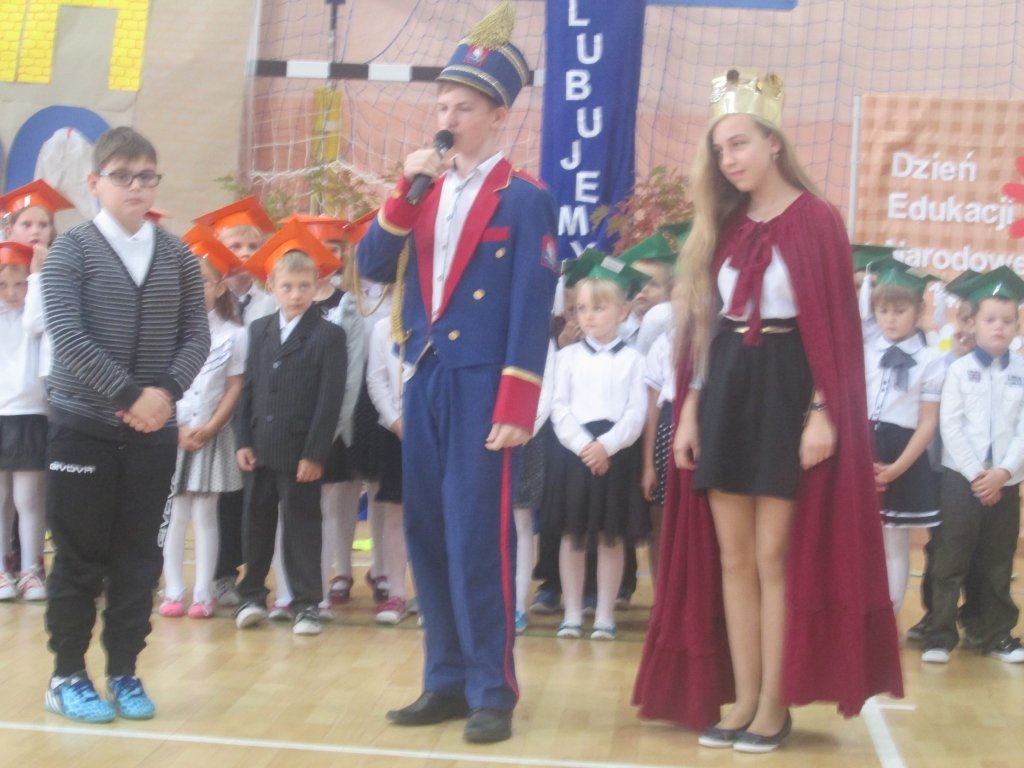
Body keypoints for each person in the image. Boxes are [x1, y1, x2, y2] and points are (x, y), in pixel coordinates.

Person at [632, 69, 902, 753]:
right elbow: (703, 327)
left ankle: (774, 705)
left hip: (788, 390)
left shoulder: (817, 220)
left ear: (773, 142)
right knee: (732, 557)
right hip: (726, 389)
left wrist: (823, 411)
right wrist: (689, 412)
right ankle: (745, 697)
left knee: (773, 555)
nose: (729, 159)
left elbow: (833, 329)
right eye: (720, 149)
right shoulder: (721, 225)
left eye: (740, 144)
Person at [356, 2, 558, 744]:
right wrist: (402, 195)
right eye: (442, 106)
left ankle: (490, 688)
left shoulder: (525, 198)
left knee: (479, 535)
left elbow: (531, 307)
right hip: (428, 373)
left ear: (497, 116)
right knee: (428, 531)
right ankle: (443, 679)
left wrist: (517, 400)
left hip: (483, 381)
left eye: (463, 107)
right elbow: (372, 266)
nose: (447, 119)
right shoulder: (425, 191)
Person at [41, 126, 210, 723]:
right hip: (82, 427)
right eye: (122, 176)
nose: (136, 187)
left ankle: (124, 672)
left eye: (146, 176)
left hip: (152, 434)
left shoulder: (178, 256)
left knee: (139, 560)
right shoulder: (71, 250)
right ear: (95, 183)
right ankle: (67, 675)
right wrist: (128, 394)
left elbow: (197, 336)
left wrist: (163, 395)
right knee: (79, 560)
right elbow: (68, 334)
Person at [232, 221, 347, 637]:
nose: (295, 294)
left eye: (303, 286)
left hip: (300, 452)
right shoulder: (259, 329)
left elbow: (330, 400)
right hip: (260, 447)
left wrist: (315, 453)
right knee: (256, 524)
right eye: (287, 287)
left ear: (316, 286)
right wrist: (243, 440)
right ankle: (251, 596)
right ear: (272, 287)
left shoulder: (328, 335)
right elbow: (248, 387)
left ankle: (307, 604)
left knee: (302, 527)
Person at [924, 267, 1024, 665]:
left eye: (1007, 320)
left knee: (997, 561)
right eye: (990, 319)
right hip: (961, 481)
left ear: (1017, 327)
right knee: (951, 559)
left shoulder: (1021, 373)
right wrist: (977, 475)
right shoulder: (958, 370)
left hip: (1006, 482)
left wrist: (1003, 473)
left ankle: (996, 633)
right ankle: (939, 633)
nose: (999, 327)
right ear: (973, 324)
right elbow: (950, 426)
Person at [546, 262, 649, 641]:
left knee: (611, 536)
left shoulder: (634, 360)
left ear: (622, 312)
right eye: (581, 309)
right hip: (576, 454)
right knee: (572, 536)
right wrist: (584, 445)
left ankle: (604, 614)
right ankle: (572, 612)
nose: (588, 316)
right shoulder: (566, 358)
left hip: (616, 455)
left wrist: (606, 445)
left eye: (599, 308)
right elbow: (558, 408)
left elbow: (636, 414)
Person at [158, 227, 248, 619]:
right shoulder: (167, 332)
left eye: (203, 282)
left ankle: (203, 593)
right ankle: (173, 591)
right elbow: (159, 384)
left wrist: (211, 427)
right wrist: (173, 428)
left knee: (205, 514)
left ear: (220, 287)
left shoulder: (235, 335)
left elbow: (235, 386)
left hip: (212, 433)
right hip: (173, 432)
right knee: (174, 515)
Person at [192, 197, 277, 609]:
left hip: (257, 406)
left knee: (252, 494)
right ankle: (219, 574)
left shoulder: (271, 299)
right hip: (215, 408)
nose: (243, 254)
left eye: (252, 246)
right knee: (217, 497)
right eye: (235, 246)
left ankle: (252, 577)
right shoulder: (206, 303)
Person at [863, 259, 944, 617]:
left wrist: (896, 468)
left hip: (902, 453)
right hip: (864, 448)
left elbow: (927, 423)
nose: (890, 319)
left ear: (919, 311)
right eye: (883, 311)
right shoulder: (866, 351)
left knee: (894, 543)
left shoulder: (930, 360)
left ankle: (888, 620)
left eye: (900, 310)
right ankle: (860, 617)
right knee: (858, 538)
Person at [0, 242, 48, 602]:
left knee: (28, 498)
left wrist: (36, 276)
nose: (12, 292)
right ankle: (3, 570)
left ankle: (32, 569)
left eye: (20, 284)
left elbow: (36, 322)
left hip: (30, 412)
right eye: (4, 285)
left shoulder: (35, 310)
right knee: (1, 498)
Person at [364, 315, 411, 624]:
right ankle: (396, 592)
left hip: (437, 428)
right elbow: (376, 380)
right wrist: (395, 421)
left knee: (436, 514)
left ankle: (430, 596)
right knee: (395, 513)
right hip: (396, 431)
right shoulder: (384, 327)